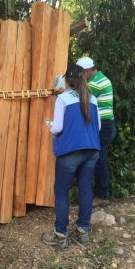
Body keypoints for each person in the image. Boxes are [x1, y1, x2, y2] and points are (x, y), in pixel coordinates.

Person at [41, 64, 101, 249]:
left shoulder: (63, 98)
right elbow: (97, 127)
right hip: (91, 151)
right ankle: (83, 231)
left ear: (66, 81)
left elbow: (58, 128)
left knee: (61, 192)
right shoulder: (92, 98)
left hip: (70, 152)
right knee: (84, 190)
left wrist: (49, 127)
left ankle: (60, 235)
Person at [76, 57, 117, 208]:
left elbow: (80, 99)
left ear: (86, 72)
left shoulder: (95, 84)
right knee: (98, 159)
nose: (79, 77)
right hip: (105, 126)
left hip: (103, 127)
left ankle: (102, 196)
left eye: (80, 74)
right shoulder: (100, 78)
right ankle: (99, 192)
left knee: (98, 161)